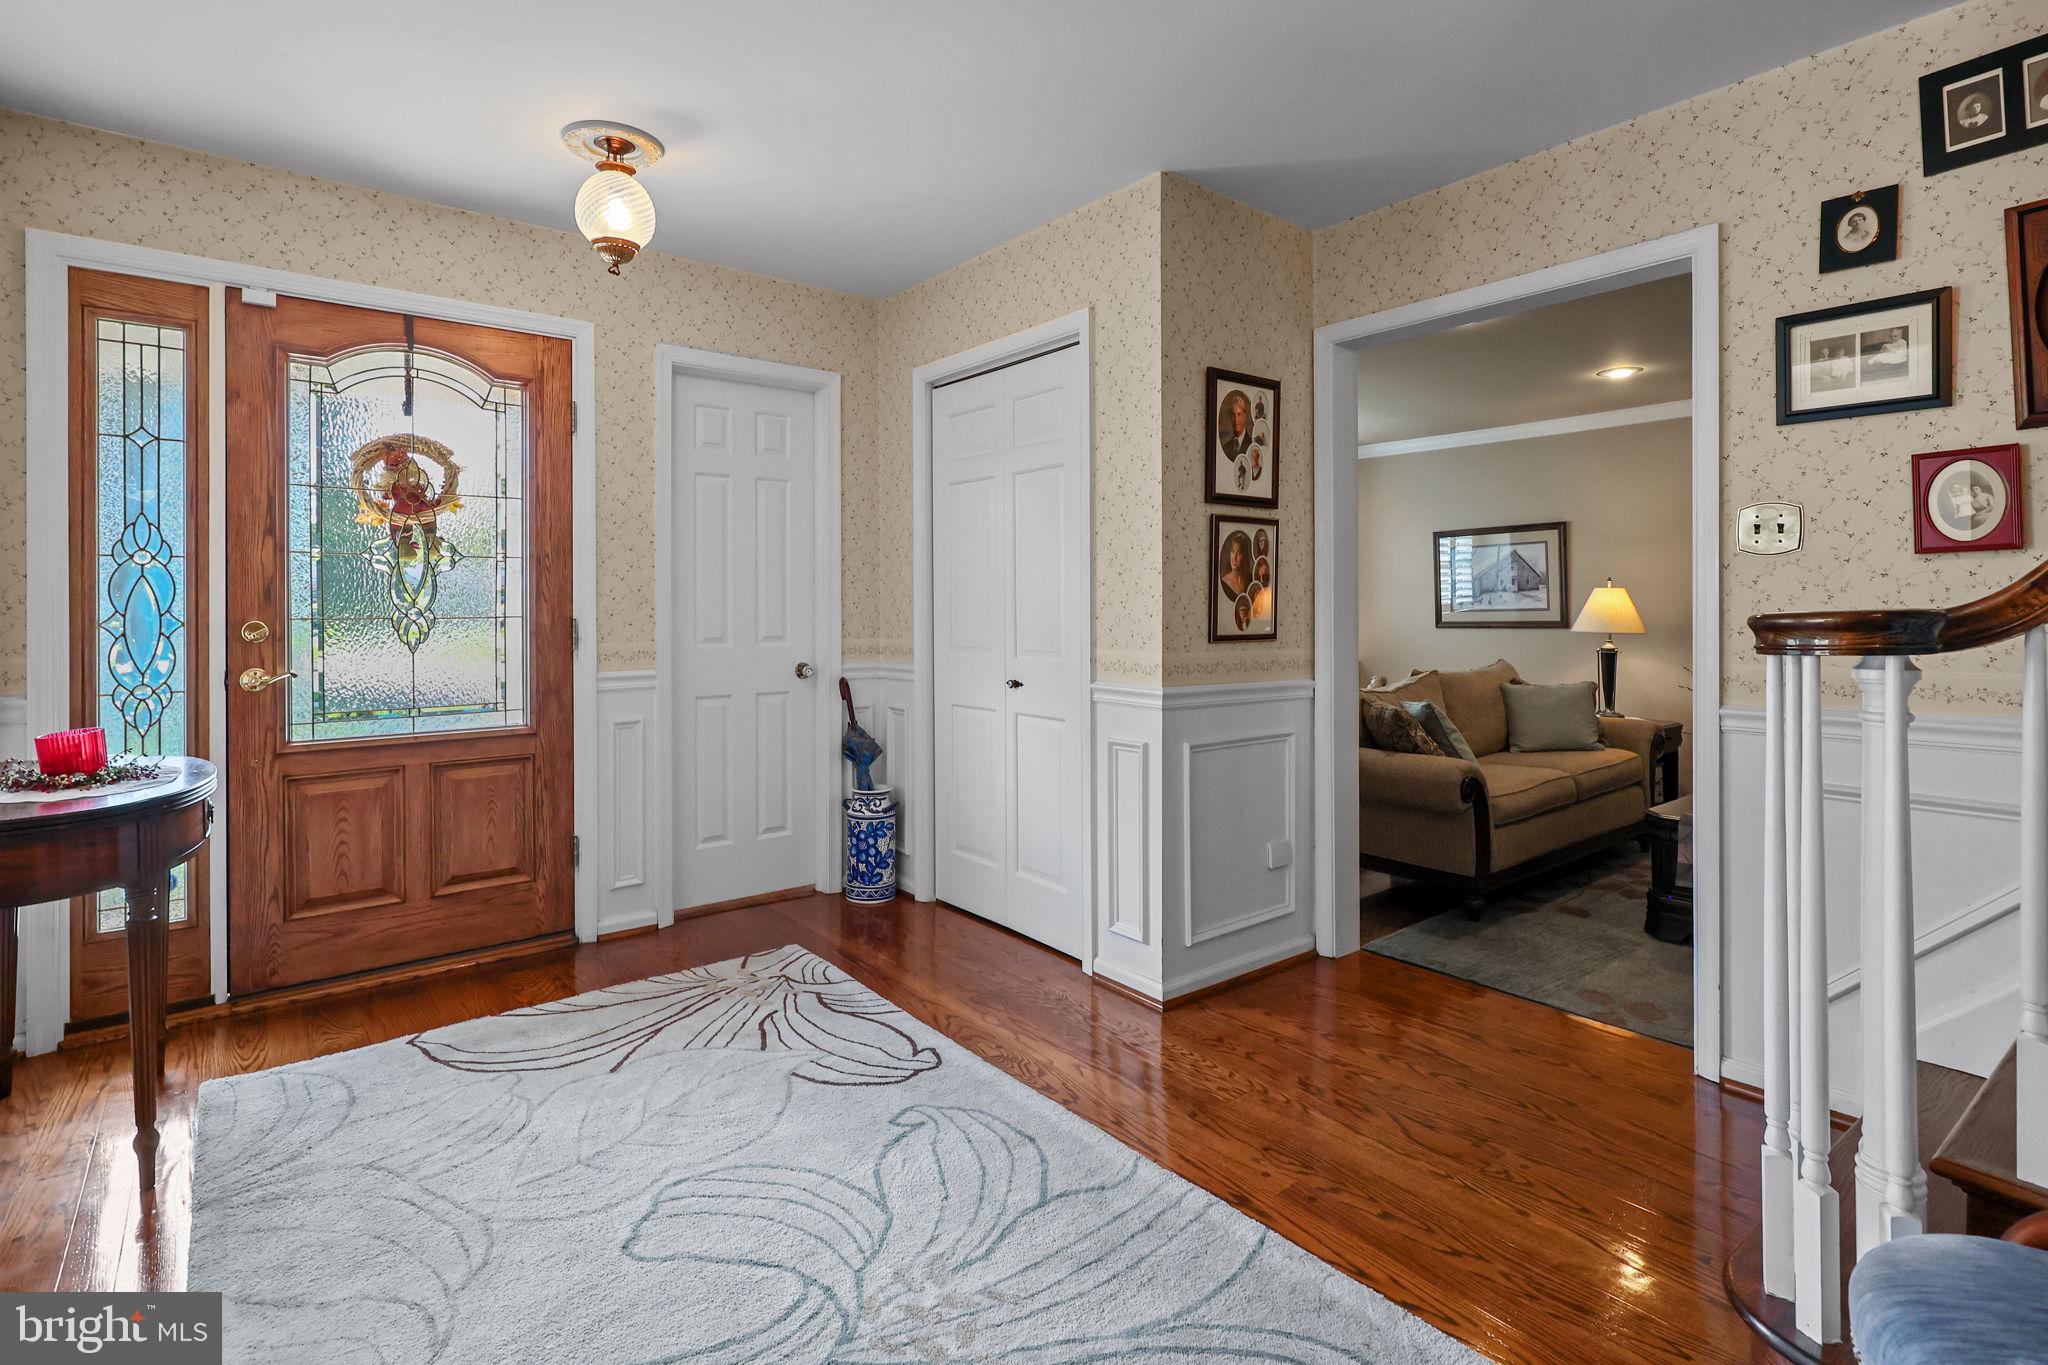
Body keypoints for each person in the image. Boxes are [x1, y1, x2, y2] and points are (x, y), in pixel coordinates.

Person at [1217, 389, 1254, 460]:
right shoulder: (1226, 447)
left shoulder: (1252, 445)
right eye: (1233, 415)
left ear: (1244, 416)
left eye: (1239, 414)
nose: (1236, 419)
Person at [1217, 530, 1253, 599]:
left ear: (1245, 556)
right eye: (1233, 551)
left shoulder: (1251, 581)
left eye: (1239, 553)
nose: (1234, 557)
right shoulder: (1224, 582)